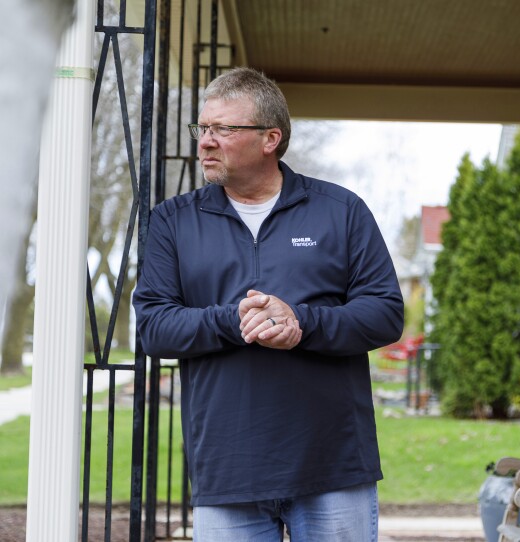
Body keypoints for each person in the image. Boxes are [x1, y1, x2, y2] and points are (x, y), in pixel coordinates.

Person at [133, 67, 404, 541]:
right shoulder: (172, 222)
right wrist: (232, 321)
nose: (205, 142)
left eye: (223, 129)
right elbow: (154, 327)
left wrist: (303, 323)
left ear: (270, 138)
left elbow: (384, 312)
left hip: (333, 467)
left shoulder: (340, 212)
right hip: (226, 472)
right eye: (202, 128)